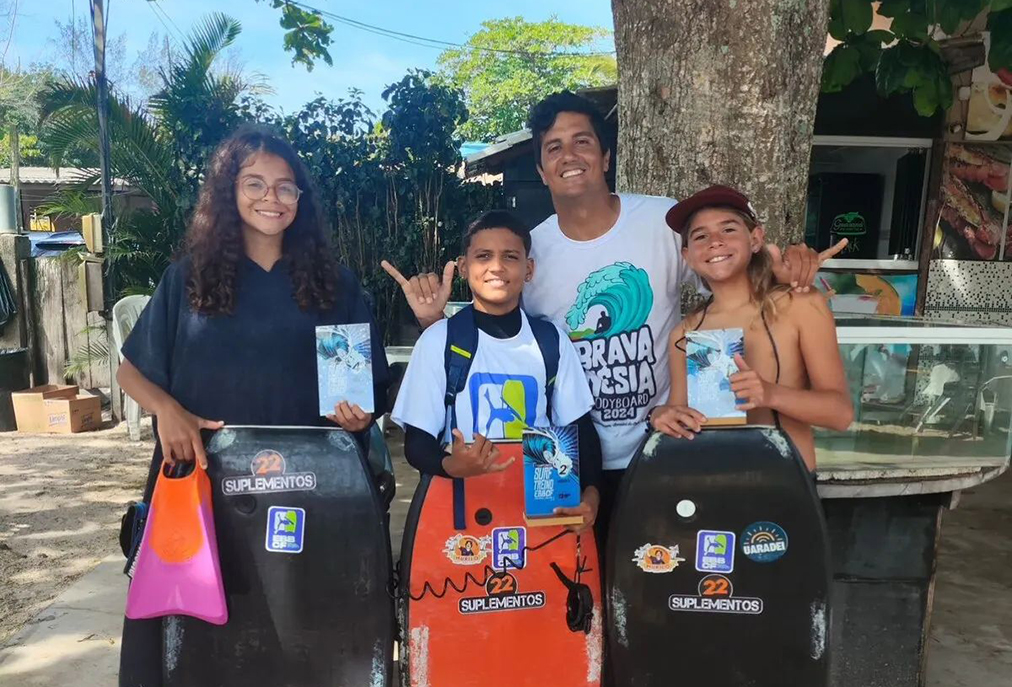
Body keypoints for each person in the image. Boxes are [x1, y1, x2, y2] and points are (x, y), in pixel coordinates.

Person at [383, 91, 844, 541]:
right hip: (566, 466)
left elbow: (728, 279)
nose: (570, 155)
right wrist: (435, 326)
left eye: (583, 141)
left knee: (655, 591)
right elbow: (499, 339)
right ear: (542, 169)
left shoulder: (662, 224)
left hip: (661, 451)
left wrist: (785, 273)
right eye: (554, 147)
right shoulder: (530, 250)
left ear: (606, 157)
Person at [117, 124, 389, 687]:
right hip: (204, 487)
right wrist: (166, 409)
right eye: (255, 183)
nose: (272, 197)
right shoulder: (188, 281)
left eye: (285, 187)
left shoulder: (334, 286)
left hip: (312, 493)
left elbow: (363, 392)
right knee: (198, 641)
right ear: (228, 191)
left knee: (306, 630)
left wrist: (359, 415)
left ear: (300, 199)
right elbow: (131, 371)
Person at [391, 210, 602, 531]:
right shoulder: (439, 340)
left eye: (511, 256)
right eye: (483, 256)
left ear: (528, 269)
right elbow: (417, 444)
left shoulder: (550, 341)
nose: (497, 266)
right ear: (464, 267)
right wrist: (452, 464)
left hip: (541, 517)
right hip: (460, 521)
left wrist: (591, 494)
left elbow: (580, 430)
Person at [651, 185, 853, 470]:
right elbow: (679, 413)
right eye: (700, 236)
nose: (715, 242)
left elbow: (840, 414)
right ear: (687, 256)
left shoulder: (799, 305)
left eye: (729, 230)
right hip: (710, 484)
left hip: (785, 487)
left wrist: (770, 394)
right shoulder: (684, 335)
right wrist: (661, 415)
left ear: (755, 238)